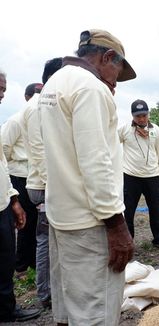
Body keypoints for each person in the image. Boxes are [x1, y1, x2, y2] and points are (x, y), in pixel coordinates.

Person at [38, 29, 135, 325]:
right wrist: (117, 226)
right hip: (90, 221)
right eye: (116, 73)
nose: (114, 82)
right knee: (95, 311)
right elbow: (96, 161)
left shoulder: (55, 83)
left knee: (69, 305)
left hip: (61, 214)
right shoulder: (90, 88)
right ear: (107, 57)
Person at [0, 69, 42, 322]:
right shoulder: (15, 120)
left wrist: (13, 199)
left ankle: (6, 308)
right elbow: (5, 151)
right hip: (18, 175)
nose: (2, 95)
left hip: (7, 192)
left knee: (7, 251)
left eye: (4, 89)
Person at [22, 57, 63, 309]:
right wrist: (52, 186)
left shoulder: (45, 103)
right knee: (46, 240)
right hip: (43, 186)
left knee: (52, 240)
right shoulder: (38, 106)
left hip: (46, 183)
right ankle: (46, 293)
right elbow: (39, 150)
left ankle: (51, 290)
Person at [118, 99, 159, 248]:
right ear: (132, 116)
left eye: (144, 115)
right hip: (130, 176)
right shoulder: (125, 129)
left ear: (148, 114)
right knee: (127, 210)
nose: (141, 119)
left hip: (152, 176)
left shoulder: (155, 130)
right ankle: (128, 241)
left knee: (156, 209)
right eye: (138, 116)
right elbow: (112, 142)